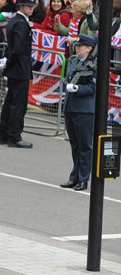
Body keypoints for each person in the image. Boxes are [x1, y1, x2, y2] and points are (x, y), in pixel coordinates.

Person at [0, 0, 35, 148]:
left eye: (32, 6)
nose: (32, 9)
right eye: (29, 6)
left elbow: (12, 46)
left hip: (14, 68)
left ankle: (4, 135)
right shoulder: (21, 23)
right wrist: (9, 61)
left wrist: (7, 61)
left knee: (9, 102)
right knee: (18, 105)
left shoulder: (14, 21)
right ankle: (14, 137)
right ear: (21, 6)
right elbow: (18, 48)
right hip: (20, 68)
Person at [60, 34, 96, 191]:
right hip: (71, 107)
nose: (77, 47)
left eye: (80, 46)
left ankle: (83, 178)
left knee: (85, 146)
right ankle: (74, 176)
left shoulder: (94, 64)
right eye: (77, 45)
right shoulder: (74, 60)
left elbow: (94, 87)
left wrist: (78, 89)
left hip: (84, 109)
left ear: (88, 48)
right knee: (74, 145)